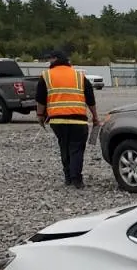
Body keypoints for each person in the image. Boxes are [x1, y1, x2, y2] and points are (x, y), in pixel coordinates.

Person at [35, 49, 100, 188]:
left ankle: (68, 177)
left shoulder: (46, 76)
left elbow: (41, 99)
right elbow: (90, 99)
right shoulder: (79, 76)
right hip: (78, 120)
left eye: (50, 59)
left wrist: (40, 116)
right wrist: (95, 117)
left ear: (55, 59)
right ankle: (76, 179)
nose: (48, 62)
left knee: (64, 146)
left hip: (57, 121)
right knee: (76, 148)